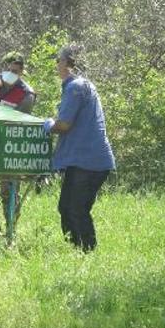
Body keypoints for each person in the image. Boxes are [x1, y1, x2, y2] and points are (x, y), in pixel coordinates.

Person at [43, 44, 115, 252]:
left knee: (76, 210)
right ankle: (76, 250)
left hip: (89, 162)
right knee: (65, 208)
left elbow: (64, 125)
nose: (57, 65)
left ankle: (87, 252)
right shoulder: (83, 85)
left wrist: (47, 125)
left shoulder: (76, 87)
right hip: (83, 161)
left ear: (66, 63)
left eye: (58, 60)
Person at [0, 51, 37, 233]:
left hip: (7, 148)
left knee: (9, 191)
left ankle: (10, 230)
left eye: (16, 71)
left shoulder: (26, 94)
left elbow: (19, 126)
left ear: (22, 72)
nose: (11, 73)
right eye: (9, 69)